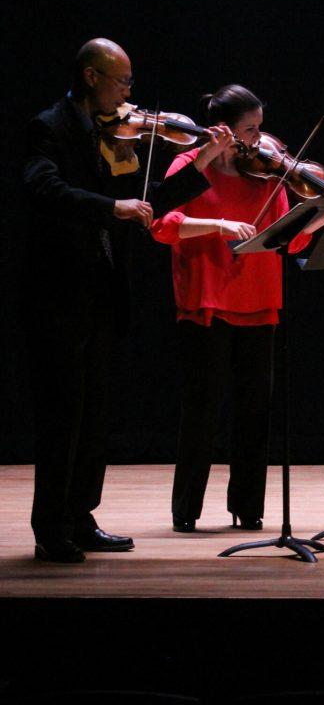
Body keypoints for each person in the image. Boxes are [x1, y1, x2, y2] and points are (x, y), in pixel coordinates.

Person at [21, 38, 210, 562]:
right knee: (62, 417)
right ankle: (49, 529)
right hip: (58, 296)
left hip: (101, 295)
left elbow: (145, 205)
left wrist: (203, 162)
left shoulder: (114, 138)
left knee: (95, 416)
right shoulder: (50, 128)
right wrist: (112, 206)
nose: (130, 95)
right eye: (122, 82)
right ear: (90, 77)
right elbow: (46, 191)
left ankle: (80, 517)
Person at [150, 84, 324, 533]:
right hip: (206, 299)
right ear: (224, 129)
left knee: (254, 410)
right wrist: (218, 225)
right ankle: (186, 509)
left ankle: (248, 508)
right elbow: (164, 226)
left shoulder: (266, 174)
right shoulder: (190, 164)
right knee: (201, 409)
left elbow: (289, 239)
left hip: (259, 300)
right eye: (251, 129)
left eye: (260, 127)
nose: (261, 140)